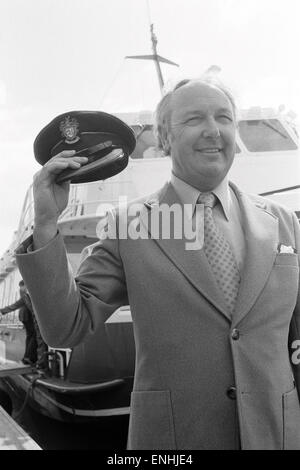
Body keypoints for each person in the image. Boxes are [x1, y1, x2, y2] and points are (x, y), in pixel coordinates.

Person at [15, 78, 300, 450]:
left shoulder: (284, 221)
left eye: (224, 118)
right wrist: (47, 225)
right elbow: (67, 327)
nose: (213, 130)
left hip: (277, 435)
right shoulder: (129, 225)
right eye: (195, 119)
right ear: (165, 139)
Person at [0, 280, 48, 368]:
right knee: (34, 336)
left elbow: (15, 305)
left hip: (29, 317)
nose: (21, 290)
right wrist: (1, 311)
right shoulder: (26, 294)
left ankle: (29, 358)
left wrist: (2, 311)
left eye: (22, 288)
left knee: (32, 336)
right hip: (29, 317)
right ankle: (32, 359)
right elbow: (16, 305)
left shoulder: (30, 293)